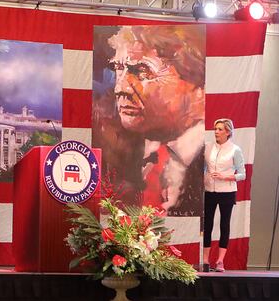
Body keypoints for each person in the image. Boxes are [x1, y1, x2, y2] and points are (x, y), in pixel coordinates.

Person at [94, 25, 205, 214]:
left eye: (142, 72)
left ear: (197, 87)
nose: (121, 88)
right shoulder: (131, 154)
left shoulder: (205, 160)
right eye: (119, 69)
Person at [202, 118, 246, 272]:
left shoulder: (235, 150)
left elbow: (242, 174)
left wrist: (225, 176)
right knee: (207, 225)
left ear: (228, 132)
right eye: (215, 129)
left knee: (224, 225)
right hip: (209, 191)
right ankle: (205, 260)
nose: (216, 132)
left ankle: (220, 261)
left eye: (220, 129)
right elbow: (201, 167)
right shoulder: (207, 148)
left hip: (227, 192)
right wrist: (203, 177)